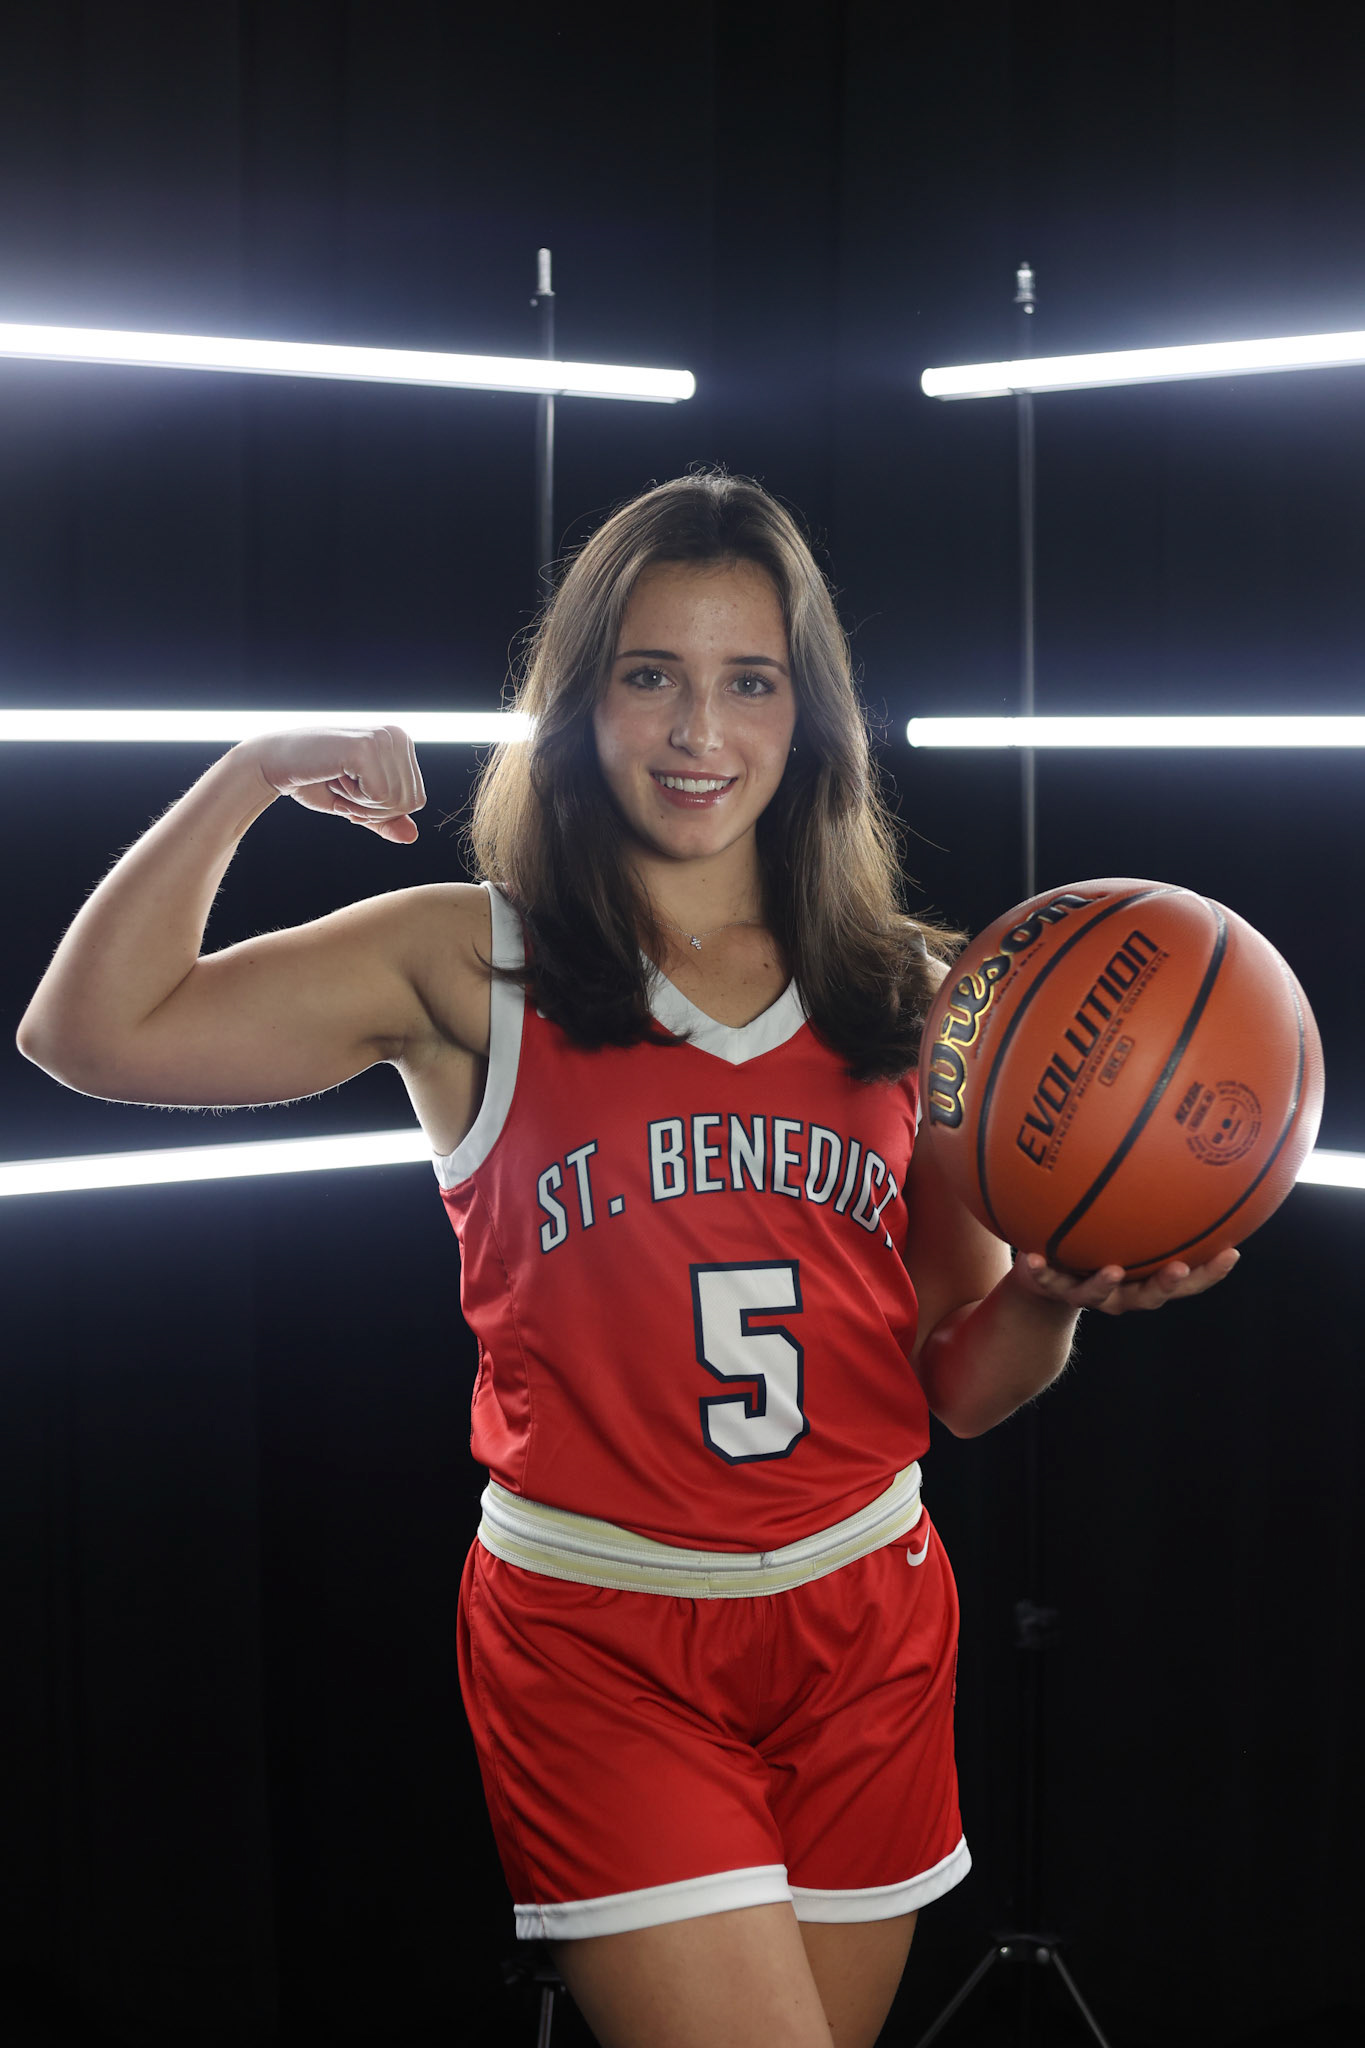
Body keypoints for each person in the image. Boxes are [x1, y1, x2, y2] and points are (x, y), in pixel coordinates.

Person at [17, 470, 1236, 2048]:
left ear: (809, 718)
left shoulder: (917, 997)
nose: (696, 734)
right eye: (649, 675)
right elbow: (88, 1033)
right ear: (580, 694)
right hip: (599, 1634)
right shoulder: (474, 953)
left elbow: (959, 1388)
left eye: (749, 683)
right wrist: (254, 771)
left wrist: (1052, 1299)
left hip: (864, 1616)